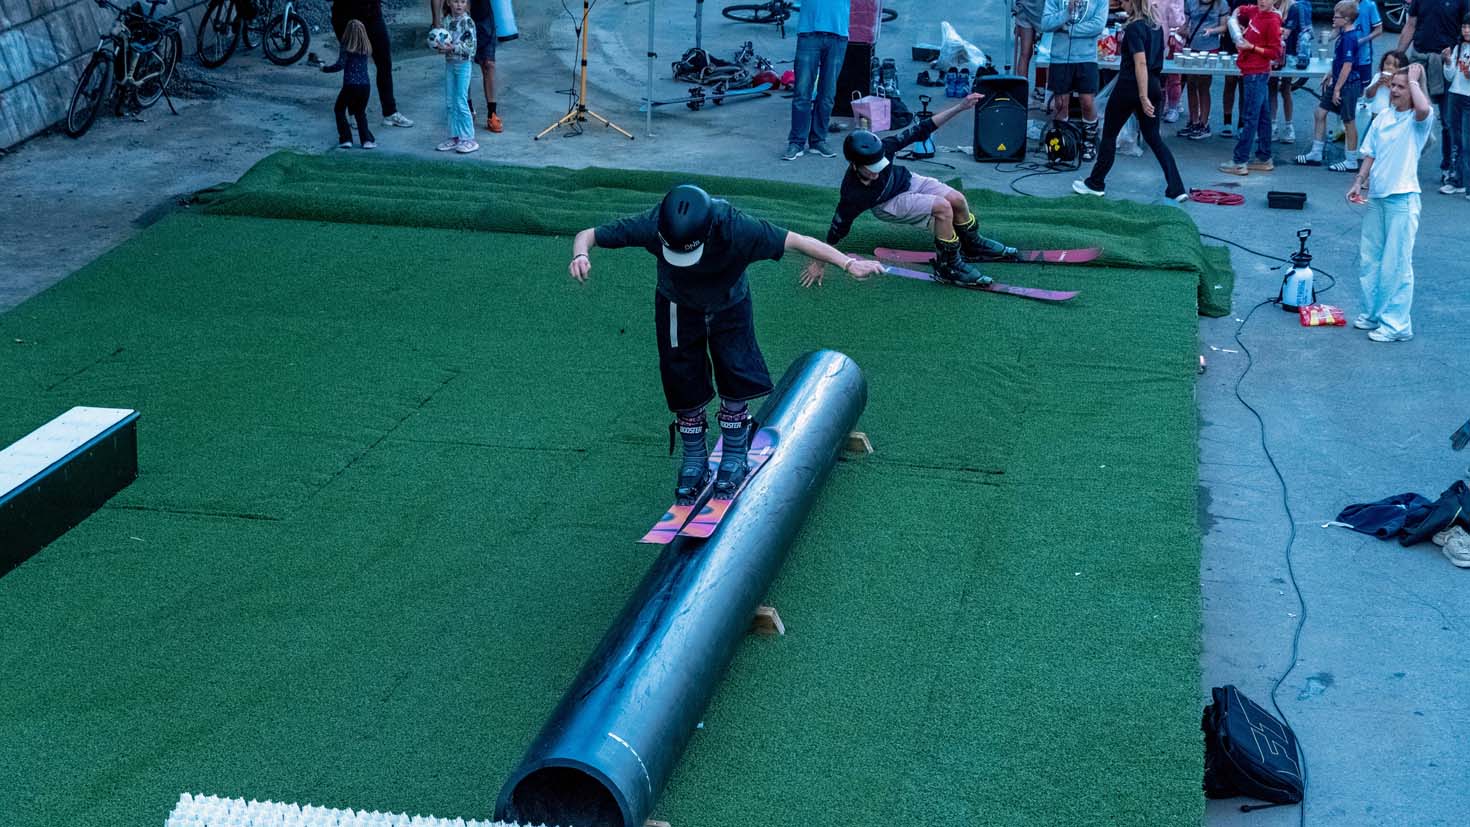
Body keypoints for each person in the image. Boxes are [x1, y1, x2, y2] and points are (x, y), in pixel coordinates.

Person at [567, 186, 884, 501]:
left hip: (729, 304)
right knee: (681, 377)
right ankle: (694, 458)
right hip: (677, 305)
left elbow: (798, 241)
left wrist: (847, 263)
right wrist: (581, 254)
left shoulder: (737, 227)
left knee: (736, 370)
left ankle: (734, 452)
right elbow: (588, 234)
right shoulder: (654, 223)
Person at [811, 94, 1017, 287]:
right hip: (887, 204)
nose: (876, 172)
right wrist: (820, 261)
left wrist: (961, 107)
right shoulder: (853, 194)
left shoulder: (885, 147)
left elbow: (923, 128)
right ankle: (949, 267)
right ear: (854, 165)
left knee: (957, 199)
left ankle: (972, 245)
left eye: (879, 165)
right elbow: (837, 229)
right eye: (870, 169)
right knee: (943, 208)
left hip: (907, 181)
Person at [1346, 62, 1434, 342]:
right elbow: (1371, 153)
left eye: (1401, 87)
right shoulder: (1383, 116)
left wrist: (1416, 80)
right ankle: (1373, 313)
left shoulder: (1418, 121)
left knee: (1396, 265)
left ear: (1413, 90)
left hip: (1403, 199)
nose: (1394, 90)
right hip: (1377, 197)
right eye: (1393, 85)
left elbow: (1423, 109)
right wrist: (1359, 181)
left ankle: (1397, 325)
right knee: (1370, 259)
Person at [1073, 0, 1188, 200]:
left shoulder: (1135, 28)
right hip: (1153, 84)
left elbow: (1140, 62)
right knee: (1154, 138)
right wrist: (1146, 94)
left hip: (1130, 87)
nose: (1122, 5)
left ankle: (1096, 182)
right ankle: (1176, 188)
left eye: (1124, 1)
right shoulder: (1156, 28)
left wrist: (1142, 96)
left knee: (1109, 135)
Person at [1398, 0, 1470, 182]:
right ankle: (1403, 162)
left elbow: (1467, 28)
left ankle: (1450, 168)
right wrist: (1398, 56)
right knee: (1408, 114)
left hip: (1446, 63)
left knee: (1449, 122)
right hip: (1419, 60)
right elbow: (1411, 25)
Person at [1294, 2, 1365, 168]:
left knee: (1348, 120)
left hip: (1348, 84)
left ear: (1346, 19)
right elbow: (1340, 60)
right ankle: (1316, 153)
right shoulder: (1343, 34)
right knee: (1320, 113)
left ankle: (1351, 161)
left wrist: (1337, 89)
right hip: (1339, 80)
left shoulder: (1350, 38)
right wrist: (1331, 72)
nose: (1333, 18)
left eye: (1336, 16)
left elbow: (1347, 66)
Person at [1218, 0, 1283, 175]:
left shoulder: (1272, 21)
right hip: (1254, 72)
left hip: (1256, 73)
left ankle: (1239, 161)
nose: (1262, 0)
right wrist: (1234, 19)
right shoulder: (1255, 11)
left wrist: (1251, 47)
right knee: (1262, 117)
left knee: (1250, 117)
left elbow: (1275, 52)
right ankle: (1264, 157)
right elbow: (1241, 9)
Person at [325, 0, 412, 128]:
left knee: (384, 62)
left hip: (372, 13)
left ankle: (390, 112)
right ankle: (354, 113)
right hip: (347, 16)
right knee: (353, 63)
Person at [1041, 0, 1110, 160]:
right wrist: (1066, 13)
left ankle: (1089, 141)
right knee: (1060, 104)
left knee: (1087, 102)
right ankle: (1062, 141)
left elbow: (1098, 25)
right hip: (1060, 57)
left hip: (1087, 57)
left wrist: (1068, 29)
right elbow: (1045, 24)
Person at [781, 0, 849, 161]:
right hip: (810, 32)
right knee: (802, 93)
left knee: (827, 95)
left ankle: (818, 140)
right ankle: (797, 142)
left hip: (837, 34)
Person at [431, 0, 502, 133]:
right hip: (456, 15)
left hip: (482, 13)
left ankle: (492, 112)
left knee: (489, 63)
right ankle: (468, 108)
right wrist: (436, 22)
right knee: (462, 63)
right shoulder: (448, 19)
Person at [434, 0, 478, 154]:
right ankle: (454, 137)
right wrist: (439, 46)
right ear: (448, 2)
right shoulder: (446, 21)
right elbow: (443, 39)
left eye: (463, 1)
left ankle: (469, 139)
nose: (459, 5)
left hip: (463, 65)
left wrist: (453, 47)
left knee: (460, 100)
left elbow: (471, 47)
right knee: (450, 101)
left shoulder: (467, 22)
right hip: (450, 64)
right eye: (455, 1)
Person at [324, 20, 376, 149]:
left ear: (347, 33)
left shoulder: (346, 47)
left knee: (339, 109)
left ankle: (346, 138)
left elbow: (339, 65)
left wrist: (324, 68)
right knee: (360, 113)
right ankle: (367, 141)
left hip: (350, 86)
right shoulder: (365, 48)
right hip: (365, 86)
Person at [1179, 0, 1227, 138]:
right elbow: (1185, 23)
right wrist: (1182, 31)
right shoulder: (1190, 2)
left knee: (1204, 85)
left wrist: (1211, 31)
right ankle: (1193, 121)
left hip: (1210, 48)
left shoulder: (1221, 3)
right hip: (1192, 47)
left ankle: (1204, 124)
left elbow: (1224, 27)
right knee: (1191, 84)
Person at [1269, 0, 1311, 143]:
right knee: (1272, 88)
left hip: (1290, 53)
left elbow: (1286, 33)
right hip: (1274, 52)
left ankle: (1289, 126)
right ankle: (1273, 126)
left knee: (1286, 89)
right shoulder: (1267, 5)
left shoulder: (1293, 7)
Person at [1439, 14, 1470, 194]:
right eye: (1464, 26)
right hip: (1455, 94)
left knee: (1467, 142)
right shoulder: (1459, 47)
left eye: (1469, 27)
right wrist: (1448, 61)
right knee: (1455, 139)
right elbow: (1450, 76)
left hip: (1468, 97)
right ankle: (1456, 180)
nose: (1466, 30)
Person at [1217, 0, 1253, 137]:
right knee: (1230, 81)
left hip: (1249, 40)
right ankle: (1227, 122)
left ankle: (1242, 123)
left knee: (1244, 84)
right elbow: (1225, 13)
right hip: (1230, 41)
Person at [1015, 0, 1048, 97]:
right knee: (1046, 53)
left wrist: (1014, 8)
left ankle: (1021, 92)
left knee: (1025, 54)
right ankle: (1042, 89)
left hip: (1025, 8)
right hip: (1042, 11)